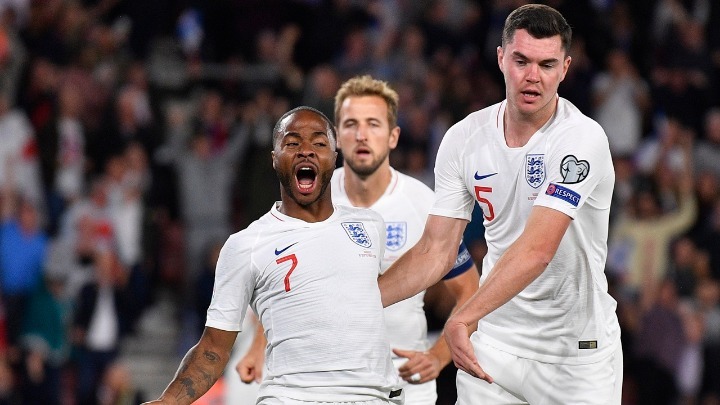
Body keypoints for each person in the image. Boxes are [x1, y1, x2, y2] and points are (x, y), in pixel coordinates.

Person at [377, 4, 623, 405]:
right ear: (500, 58)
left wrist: (463, 316)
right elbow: (436, 249)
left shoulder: (581, 140)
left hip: (574, 357)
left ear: (565, 69)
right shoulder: (464, 138)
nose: (532, 76)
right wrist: (357, 303)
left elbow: (537, 250)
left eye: (547, 64)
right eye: (521, 61)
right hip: (493, 346)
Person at [236, 75, 480, 404]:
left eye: (373, 124)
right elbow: (278, 282)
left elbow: (469, 289)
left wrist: (438, 356)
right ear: (335, 137)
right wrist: (258, 345)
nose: (362, 135)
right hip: (326, 384)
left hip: (405, 385)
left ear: (393, 136)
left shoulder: (423, 204)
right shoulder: (306, 198)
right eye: (351, 124)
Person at [142, 106, 403, 404]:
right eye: (292, 143)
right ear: (274, 158)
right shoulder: (246, 245)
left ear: (334, 156)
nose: (306, 150)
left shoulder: (370, 226)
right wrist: (168, 401)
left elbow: (365, 299)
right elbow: (214, 347)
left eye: (319, 143)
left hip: (373, 397)